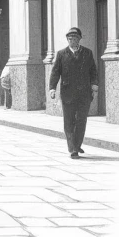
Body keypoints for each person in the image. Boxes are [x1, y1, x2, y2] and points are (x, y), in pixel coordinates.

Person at [49, 27, 98, 158]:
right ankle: (73, 149)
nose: (72, 40)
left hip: (84, 94)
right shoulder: (61, 54)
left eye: (75, 38)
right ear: (67, 40)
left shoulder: (87, 53)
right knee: (69, 121)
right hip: (67, 93)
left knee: (81, 121)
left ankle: (77, 144)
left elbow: (93, 70)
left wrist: (94, 84)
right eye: (70, 38)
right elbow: (55, 72)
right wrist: (52, 88)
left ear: (79, 39)